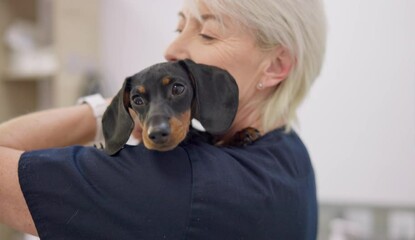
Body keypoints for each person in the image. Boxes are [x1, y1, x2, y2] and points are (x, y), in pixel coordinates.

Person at [0, 0, 326, 239]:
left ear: (274, 66)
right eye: (179, 27)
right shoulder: (287, 151)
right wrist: (126, 106)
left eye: (208, 34)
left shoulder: (175, 176)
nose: (171, 49)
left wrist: (107, 111)